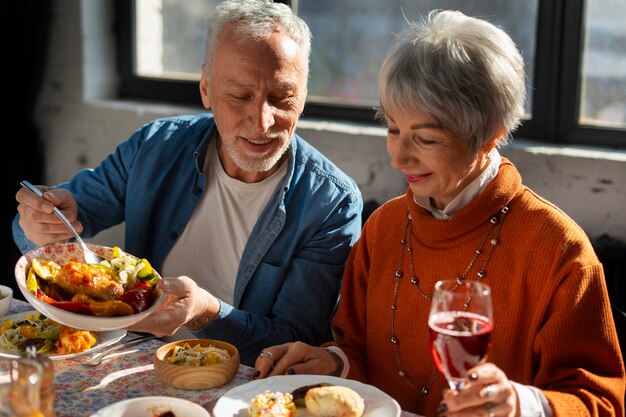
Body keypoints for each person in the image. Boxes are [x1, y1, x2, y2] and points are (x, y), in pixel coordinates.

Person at [253, 9, 625, 417]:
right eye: (393, 129)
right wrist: (334, 362)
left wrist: (521, 404)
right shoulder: (385, 227)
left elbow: (602, 402)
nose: (398, 157)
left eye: (426, 138)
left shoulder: (558, 249)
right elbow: (357, 349)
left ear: (489, 136)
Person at [12, 0, 363, 367]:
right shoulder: (156, 146)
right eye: (240, 96)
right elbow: (46, 230)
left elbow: (295, 343)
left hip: (242, 384)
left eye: (282, 98)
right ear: (206, 89)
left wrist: (208, 313)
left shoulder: (332, 203)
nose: (262, 122)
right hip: (132, 360)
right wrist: (40, 223)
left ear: (303, 95)